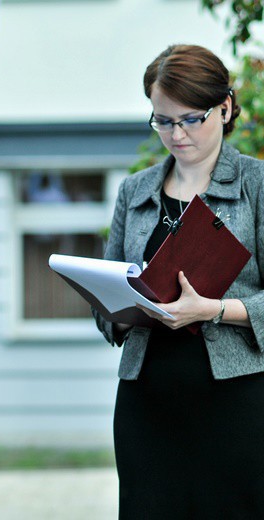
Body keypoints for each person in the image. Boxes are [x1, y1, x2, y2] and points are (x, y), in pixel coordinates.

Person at [94, 44, 264, 518]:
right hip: (147, 402)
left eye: (191, 119)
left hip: (235, 402)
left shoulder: (256, 185)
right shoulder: (136, 190)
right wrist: (120, 311)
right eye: (163, 121)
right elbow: (108, 299)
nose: (176, 133)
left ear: (225, 107)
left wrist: (211, 308)